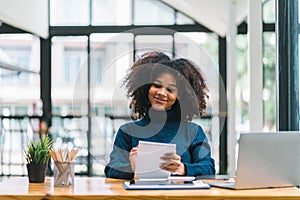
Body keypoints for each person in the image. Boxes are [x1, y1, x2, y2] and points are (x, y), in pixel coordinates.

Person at [104, 51, 215, 180]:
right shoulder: (127, 131)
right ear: (146, 88)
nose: (162, 93)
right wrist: (134, 168)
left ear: (181, 97)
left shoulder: (193, 132)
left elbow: (209, 168)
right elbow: (111, 168)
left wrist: (182, 168)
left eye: (170, 90)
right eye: (157, 85)